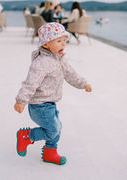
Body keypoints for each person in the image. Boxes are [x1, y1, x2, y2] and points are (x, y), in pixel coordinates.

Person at [14, 22, 92, 165]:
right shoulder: (41, 62)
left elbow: (70, 73)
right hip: (39, 105)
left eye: (64, 40)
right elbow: (31, 82)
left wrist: (83, 84)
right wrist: (21, 100)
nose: (63, 44)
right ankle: (27, 136)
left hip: (50, 104)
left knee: (57, 128)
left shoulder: (59, 58)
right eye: (58, 41)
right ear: (45, 45)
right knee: (52, 129)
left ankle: (50, 153)